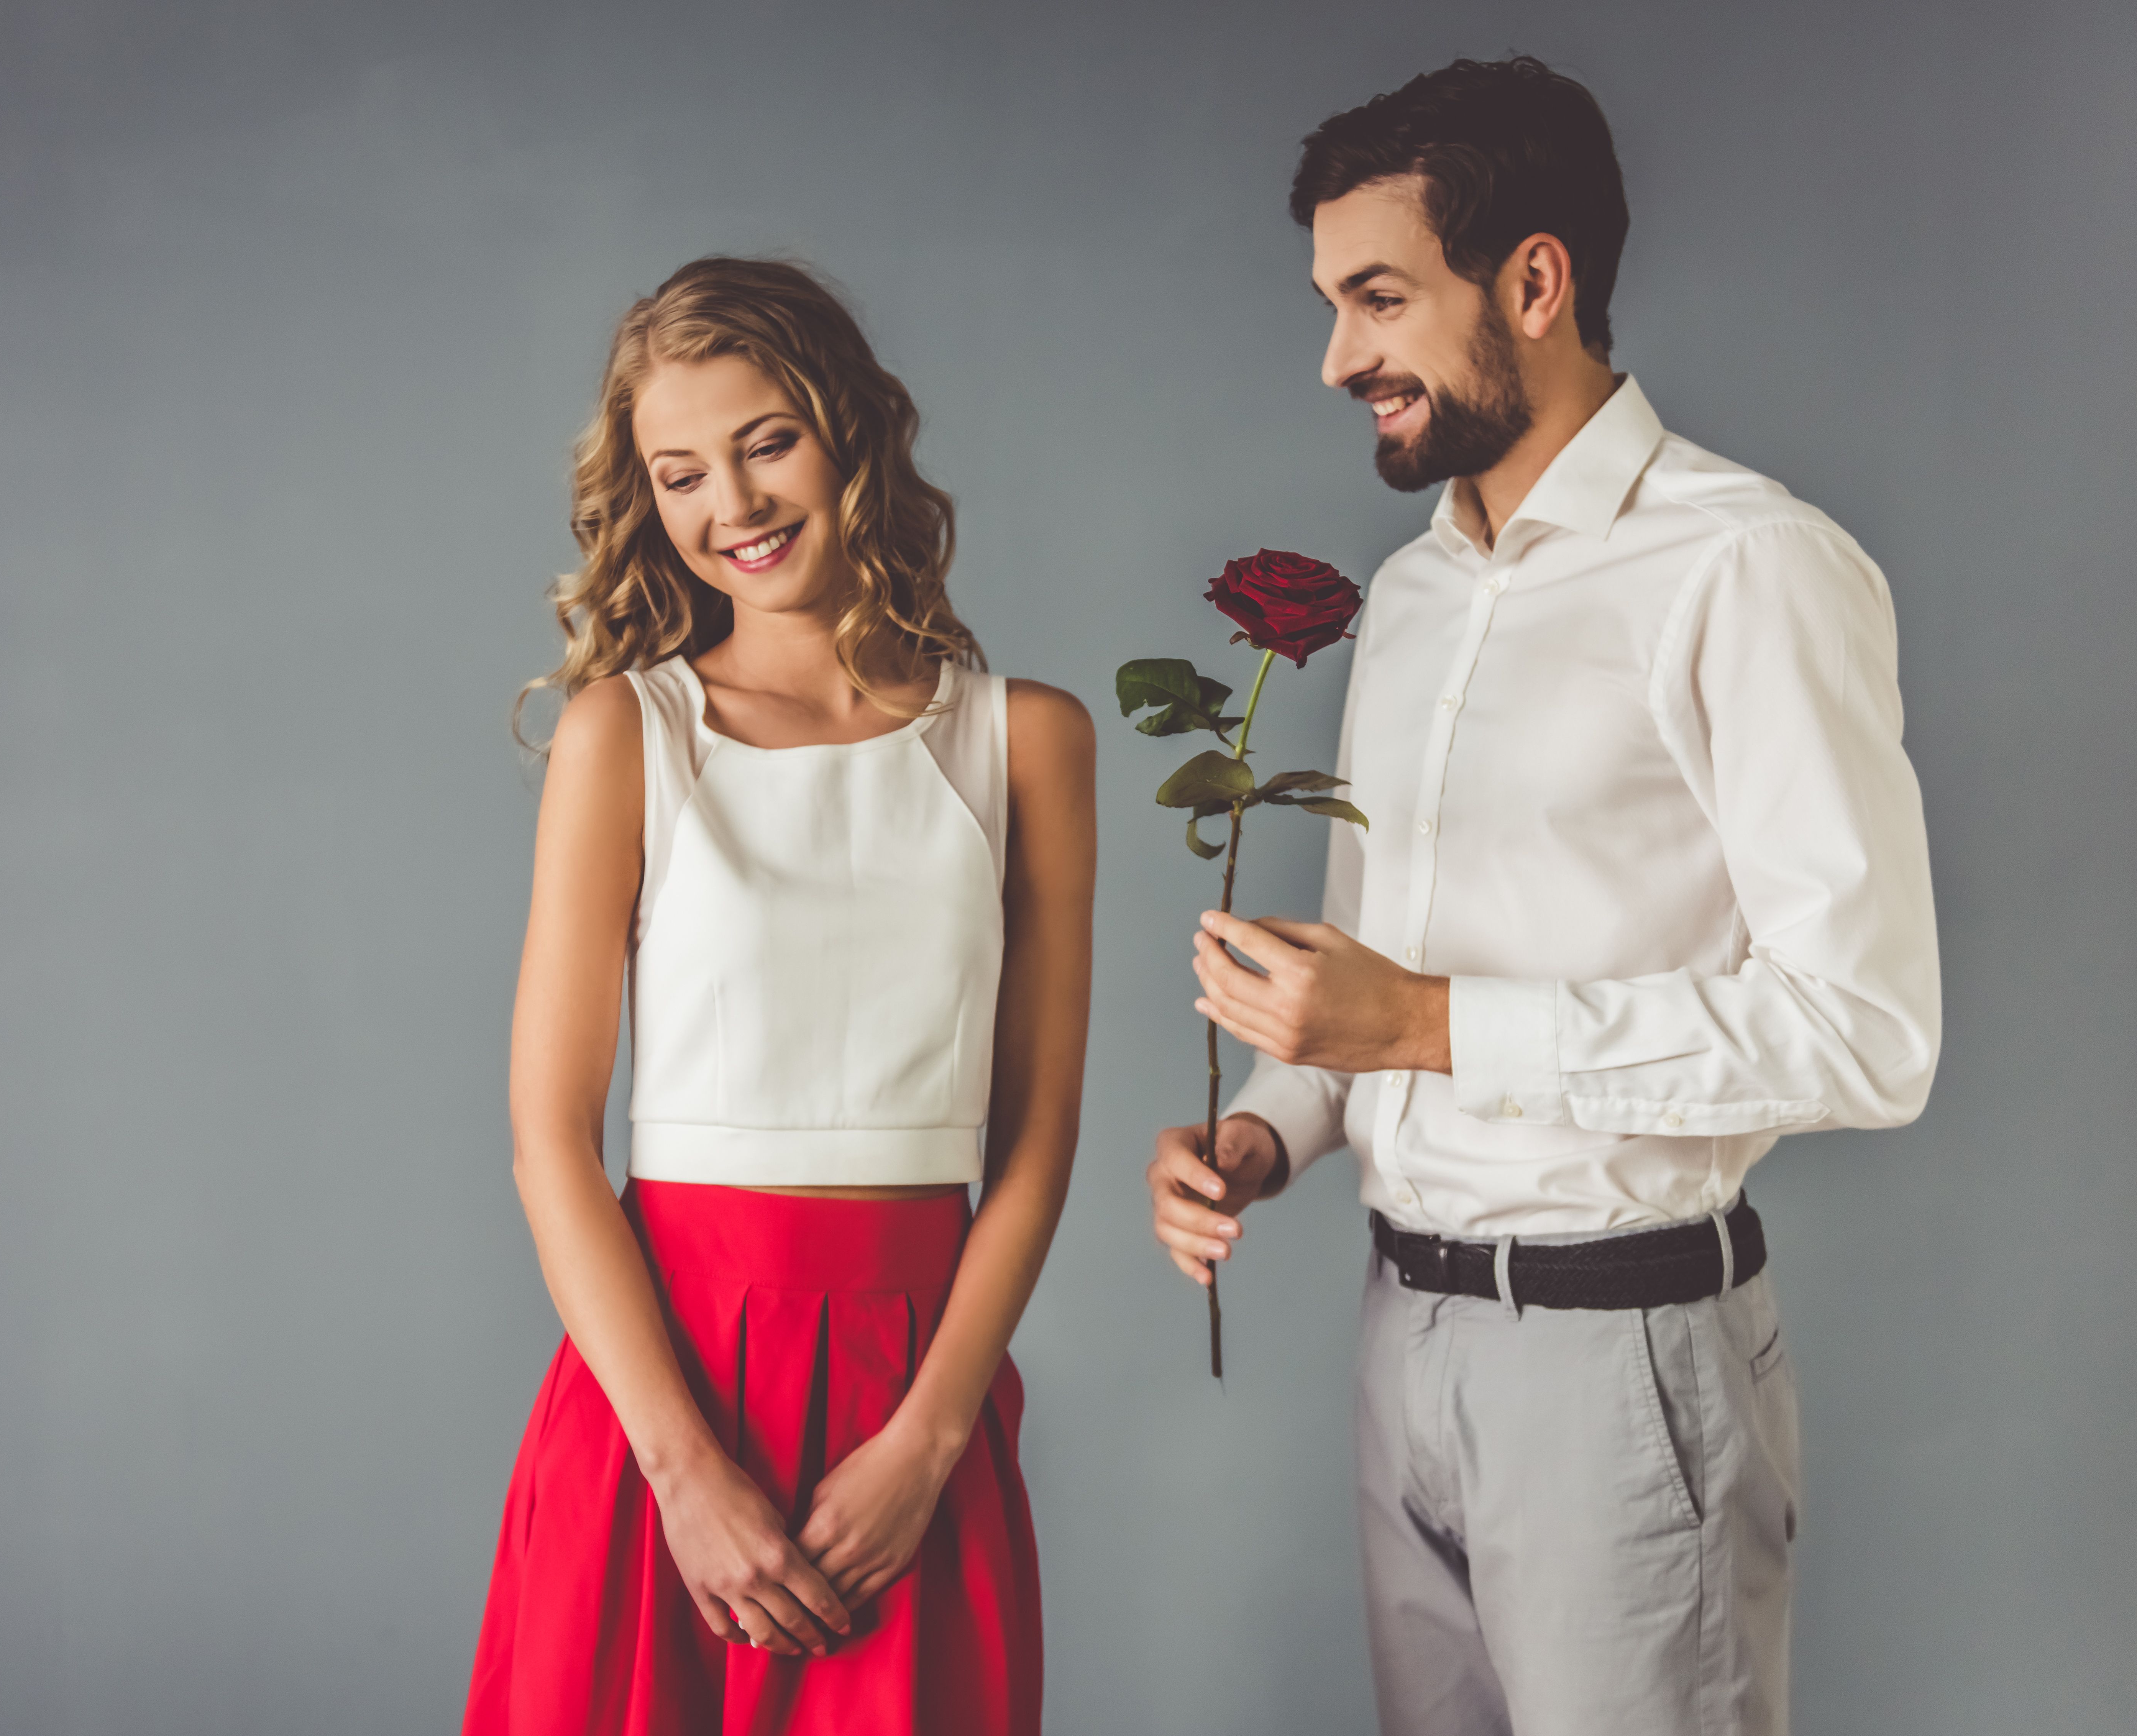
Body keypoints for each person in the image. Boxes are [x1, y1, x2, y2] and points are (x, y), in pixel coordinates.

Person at [1144, 57, 1939, 1736]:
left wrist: (1425, 1022)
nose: (1335, 357)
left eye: (1376, 298)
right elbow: (1375, 988)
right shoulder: (1415, 593)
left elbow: (1866, 1034)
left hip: (1626, 1358)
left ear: (1532, 278)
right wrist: (1270, 1131)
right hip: (1399, 1336)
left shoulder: (1747, 565)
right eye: (1328, 302)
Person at [467, 257, 1095, 1735]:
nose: (729, 507)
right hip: (665, 1398)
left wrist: (929, 1442)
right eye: (679, 472)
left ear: (851, 432)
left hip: (910, 1401)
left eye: (765, 443)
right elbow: (550, 1138)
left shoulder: (1031, 745)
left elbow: (1034, 1143)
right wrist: (680, 1471)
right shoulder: (625, 733)